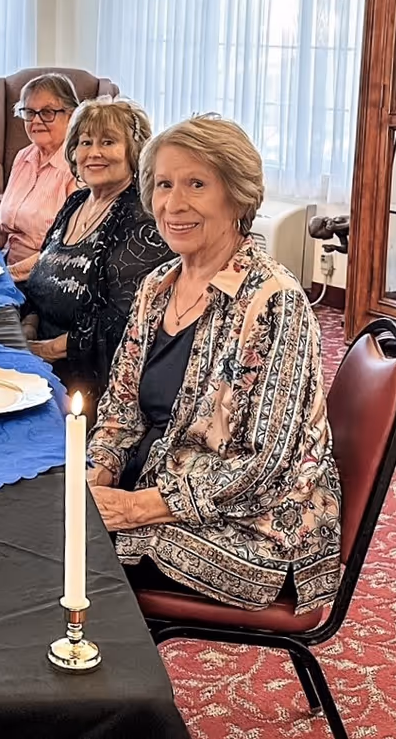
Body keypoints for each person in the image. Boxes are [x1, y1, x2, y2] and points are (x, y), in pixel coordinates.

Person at [87, 115, 340, 614]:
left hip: (255, 523)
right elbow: (120, 412)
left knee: (67, 554)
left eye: (196, 184)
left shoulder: (275, 303)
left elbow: (266, 466)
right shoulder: (157, 286)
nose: (173, 204)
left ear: (238, 196)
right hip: (157, 481)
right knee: (39, 517)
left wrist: (138, 507)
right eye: (163, 185)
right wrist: (97, 477)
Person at [23, 98, 173, 414]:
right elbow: (40, 278)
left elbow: (120, 324)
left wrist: (43, 351)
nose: (93, 153)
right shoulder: (76, 203)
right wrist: (26, 330)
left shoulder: (141, 221)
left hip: (88, 389)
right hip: (41, 366)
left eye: (108, 142)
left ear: (134, 151)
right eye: (85, 142)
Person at [0, 73, 80, 282]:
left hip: (42, 279)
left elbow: (63, 252)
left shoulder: (78, 168)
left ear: (71, 115)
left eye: (48, 112)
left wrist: (5, 276)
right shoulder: (23, 157)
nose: (37, 120)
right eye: (30, 112)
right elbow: (0, 230)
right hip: (5, 266)